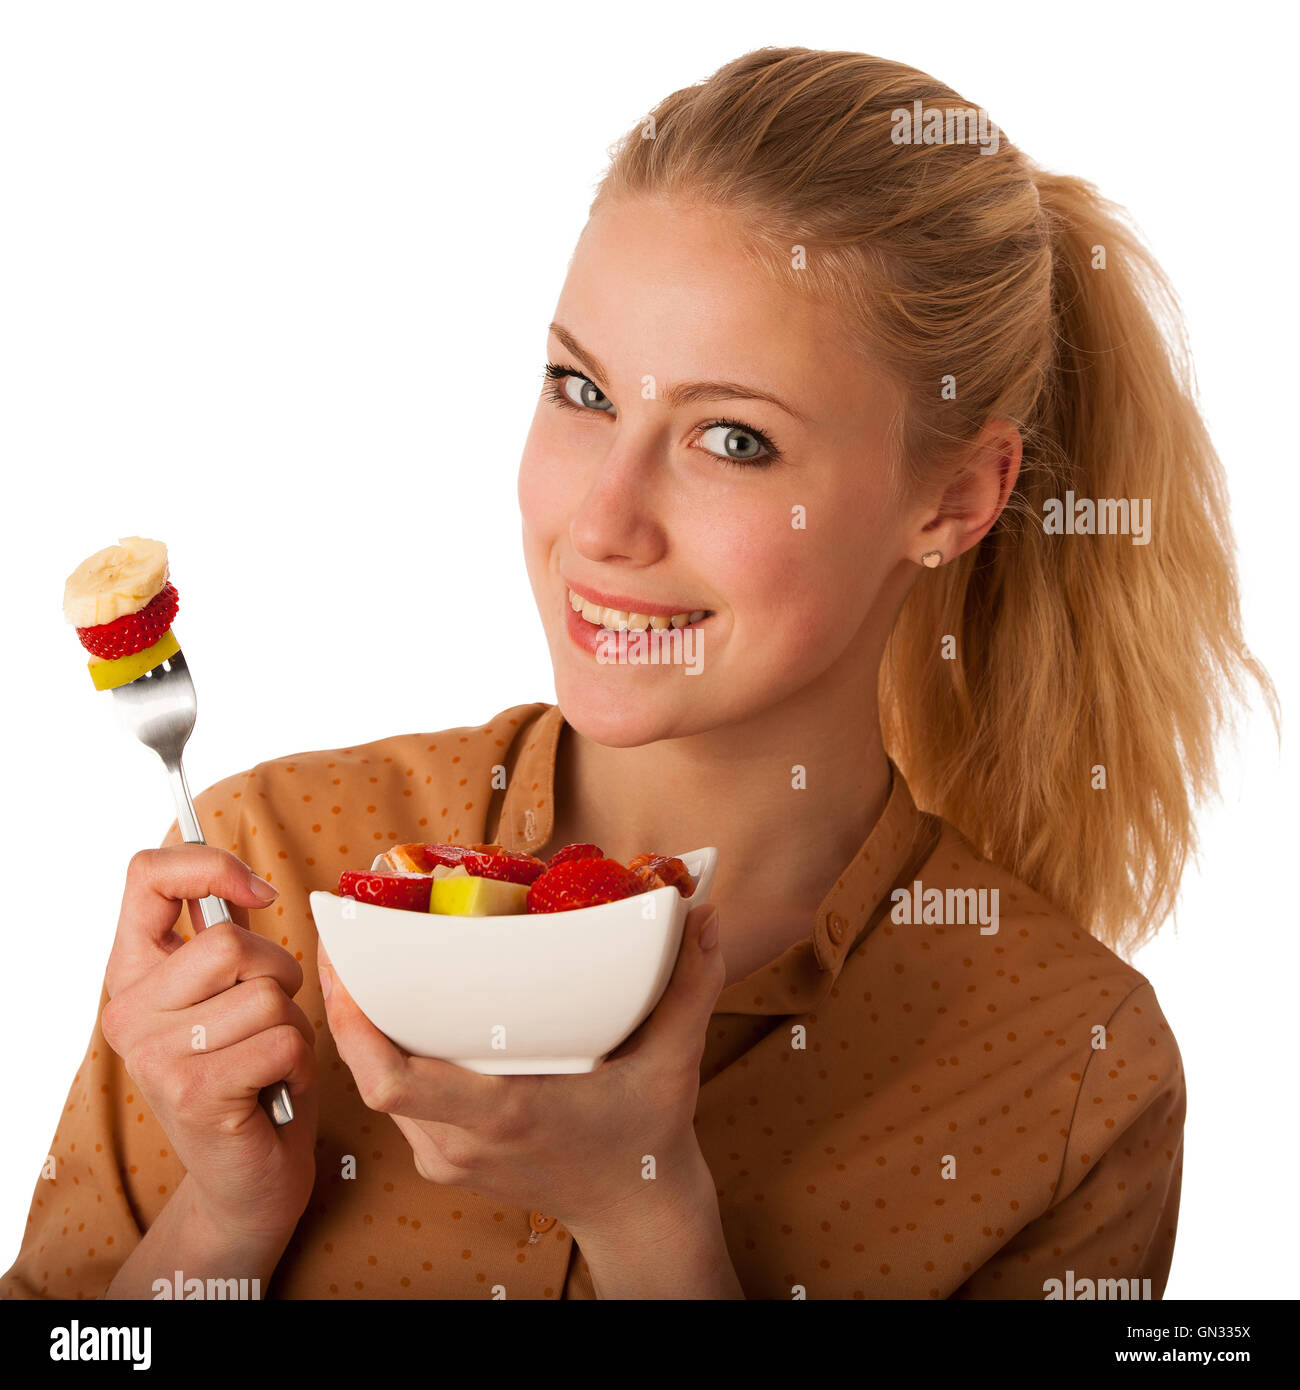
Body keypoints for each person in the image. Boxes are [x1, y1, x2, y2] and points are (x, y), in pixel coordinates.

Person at [4, 46, 1276, 1301]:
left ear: (953, 496)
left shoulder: (1071, 1071)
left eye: (733, 439)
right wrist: (225, 1219)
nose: (602, 521)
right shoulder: (260, 878)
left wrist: (644, 1214)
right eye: (581, 389)